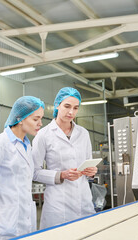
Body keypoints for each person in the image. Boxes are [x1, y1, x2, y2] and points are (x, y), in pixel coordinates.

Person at [0, 96, 45, 240]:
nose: (40, 124)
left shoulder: (27, 145)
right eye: (35, 119)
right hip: (2, 222)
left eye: (41, 119)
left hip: (24, 218)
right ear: (20, 118)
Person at [32, 87, 97, 229]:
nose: (71, 112)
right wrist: (61, 175)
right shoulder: (43, 135)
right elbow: (34, 172)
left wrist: (91, 172)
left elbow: (88, 164)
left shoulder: (83, 133)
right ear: (57, 105)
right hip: (58, 205)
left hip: (83, 201)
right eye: (67, 106)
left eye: (75, 108)